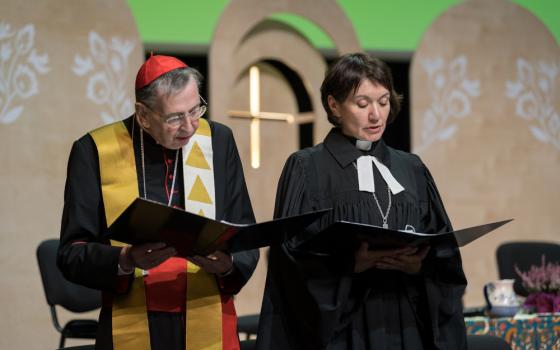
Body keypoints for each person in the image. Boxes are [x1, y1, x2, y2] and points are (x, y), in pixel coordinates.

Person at [256, 53, 467, 349]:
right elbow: (288, 261)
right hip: (343, 330)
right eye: (362, 103)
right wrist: (349, 266)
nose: (376, 115)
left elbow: (445, 256)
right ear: (334, 105)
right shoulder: (307, 168)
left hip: (404, 324)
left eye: (383, 101)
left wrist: (418, 267)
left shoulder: (412, 168)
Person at [58, 54, 259, 350]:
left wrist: (228, 264)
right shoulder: (94, 151)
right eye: (175, 117)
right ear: (143, 114)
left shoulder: (218, 141)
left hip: (209, 316)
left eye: (196, 110)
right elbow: (71, 255)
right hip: (132, 322)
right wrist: (126, 259)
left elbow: (244, 232)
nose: (190, 127)